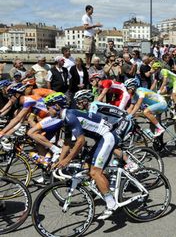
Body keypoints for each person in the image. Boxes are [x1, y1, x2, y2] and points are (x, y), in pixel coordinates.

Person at [45, 92, 120, 220]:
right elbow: (67, 143)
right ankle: (105, 185)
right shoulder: (65, 118)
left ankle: (111, 203)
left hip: (108, 136)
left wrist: (67, 160)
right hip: (101, 138)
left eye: (48, 107)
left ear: (57, 106)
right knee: (86, 167)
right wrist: (60, 161)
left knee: (95, 172)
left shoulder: (69, 116)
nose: (47, 111)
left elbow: (81, 141)